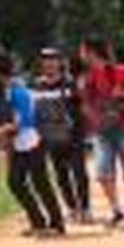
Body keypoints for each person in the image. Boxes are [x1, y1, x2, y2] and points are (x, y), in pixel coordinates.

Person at [0, 50, 66, 237]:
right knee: (15, 182)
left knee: (40, 183)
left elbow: (26, 119)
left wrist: (2, 130)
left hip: (33, 141)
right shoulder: (4, 92)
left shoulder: (17, 89)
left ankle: (56, 223)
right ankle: (38, 221)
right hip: (19, 143)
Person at [78, 34, 124, 228]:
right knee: (103, 172)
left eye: (83, 50)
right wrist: (93, 116)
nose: (81, 55)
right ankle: (116, 210)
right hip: (101, 130)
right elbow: (85, 103)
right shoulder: (87, 78)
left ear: (90, 52)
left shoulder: (120, 70)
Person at [32, 47, 93, 224]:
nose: (49, 63)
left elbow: (82, 106)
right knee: (61, 174)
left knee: (79, 172)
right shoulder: (36, 86)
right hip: (50, 137)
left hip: (74, 135)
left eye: (53, 59)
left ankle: (85, 208)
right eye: (46, 60)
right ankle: (72, 208)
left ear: (60, 62)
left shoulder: (70, 83)